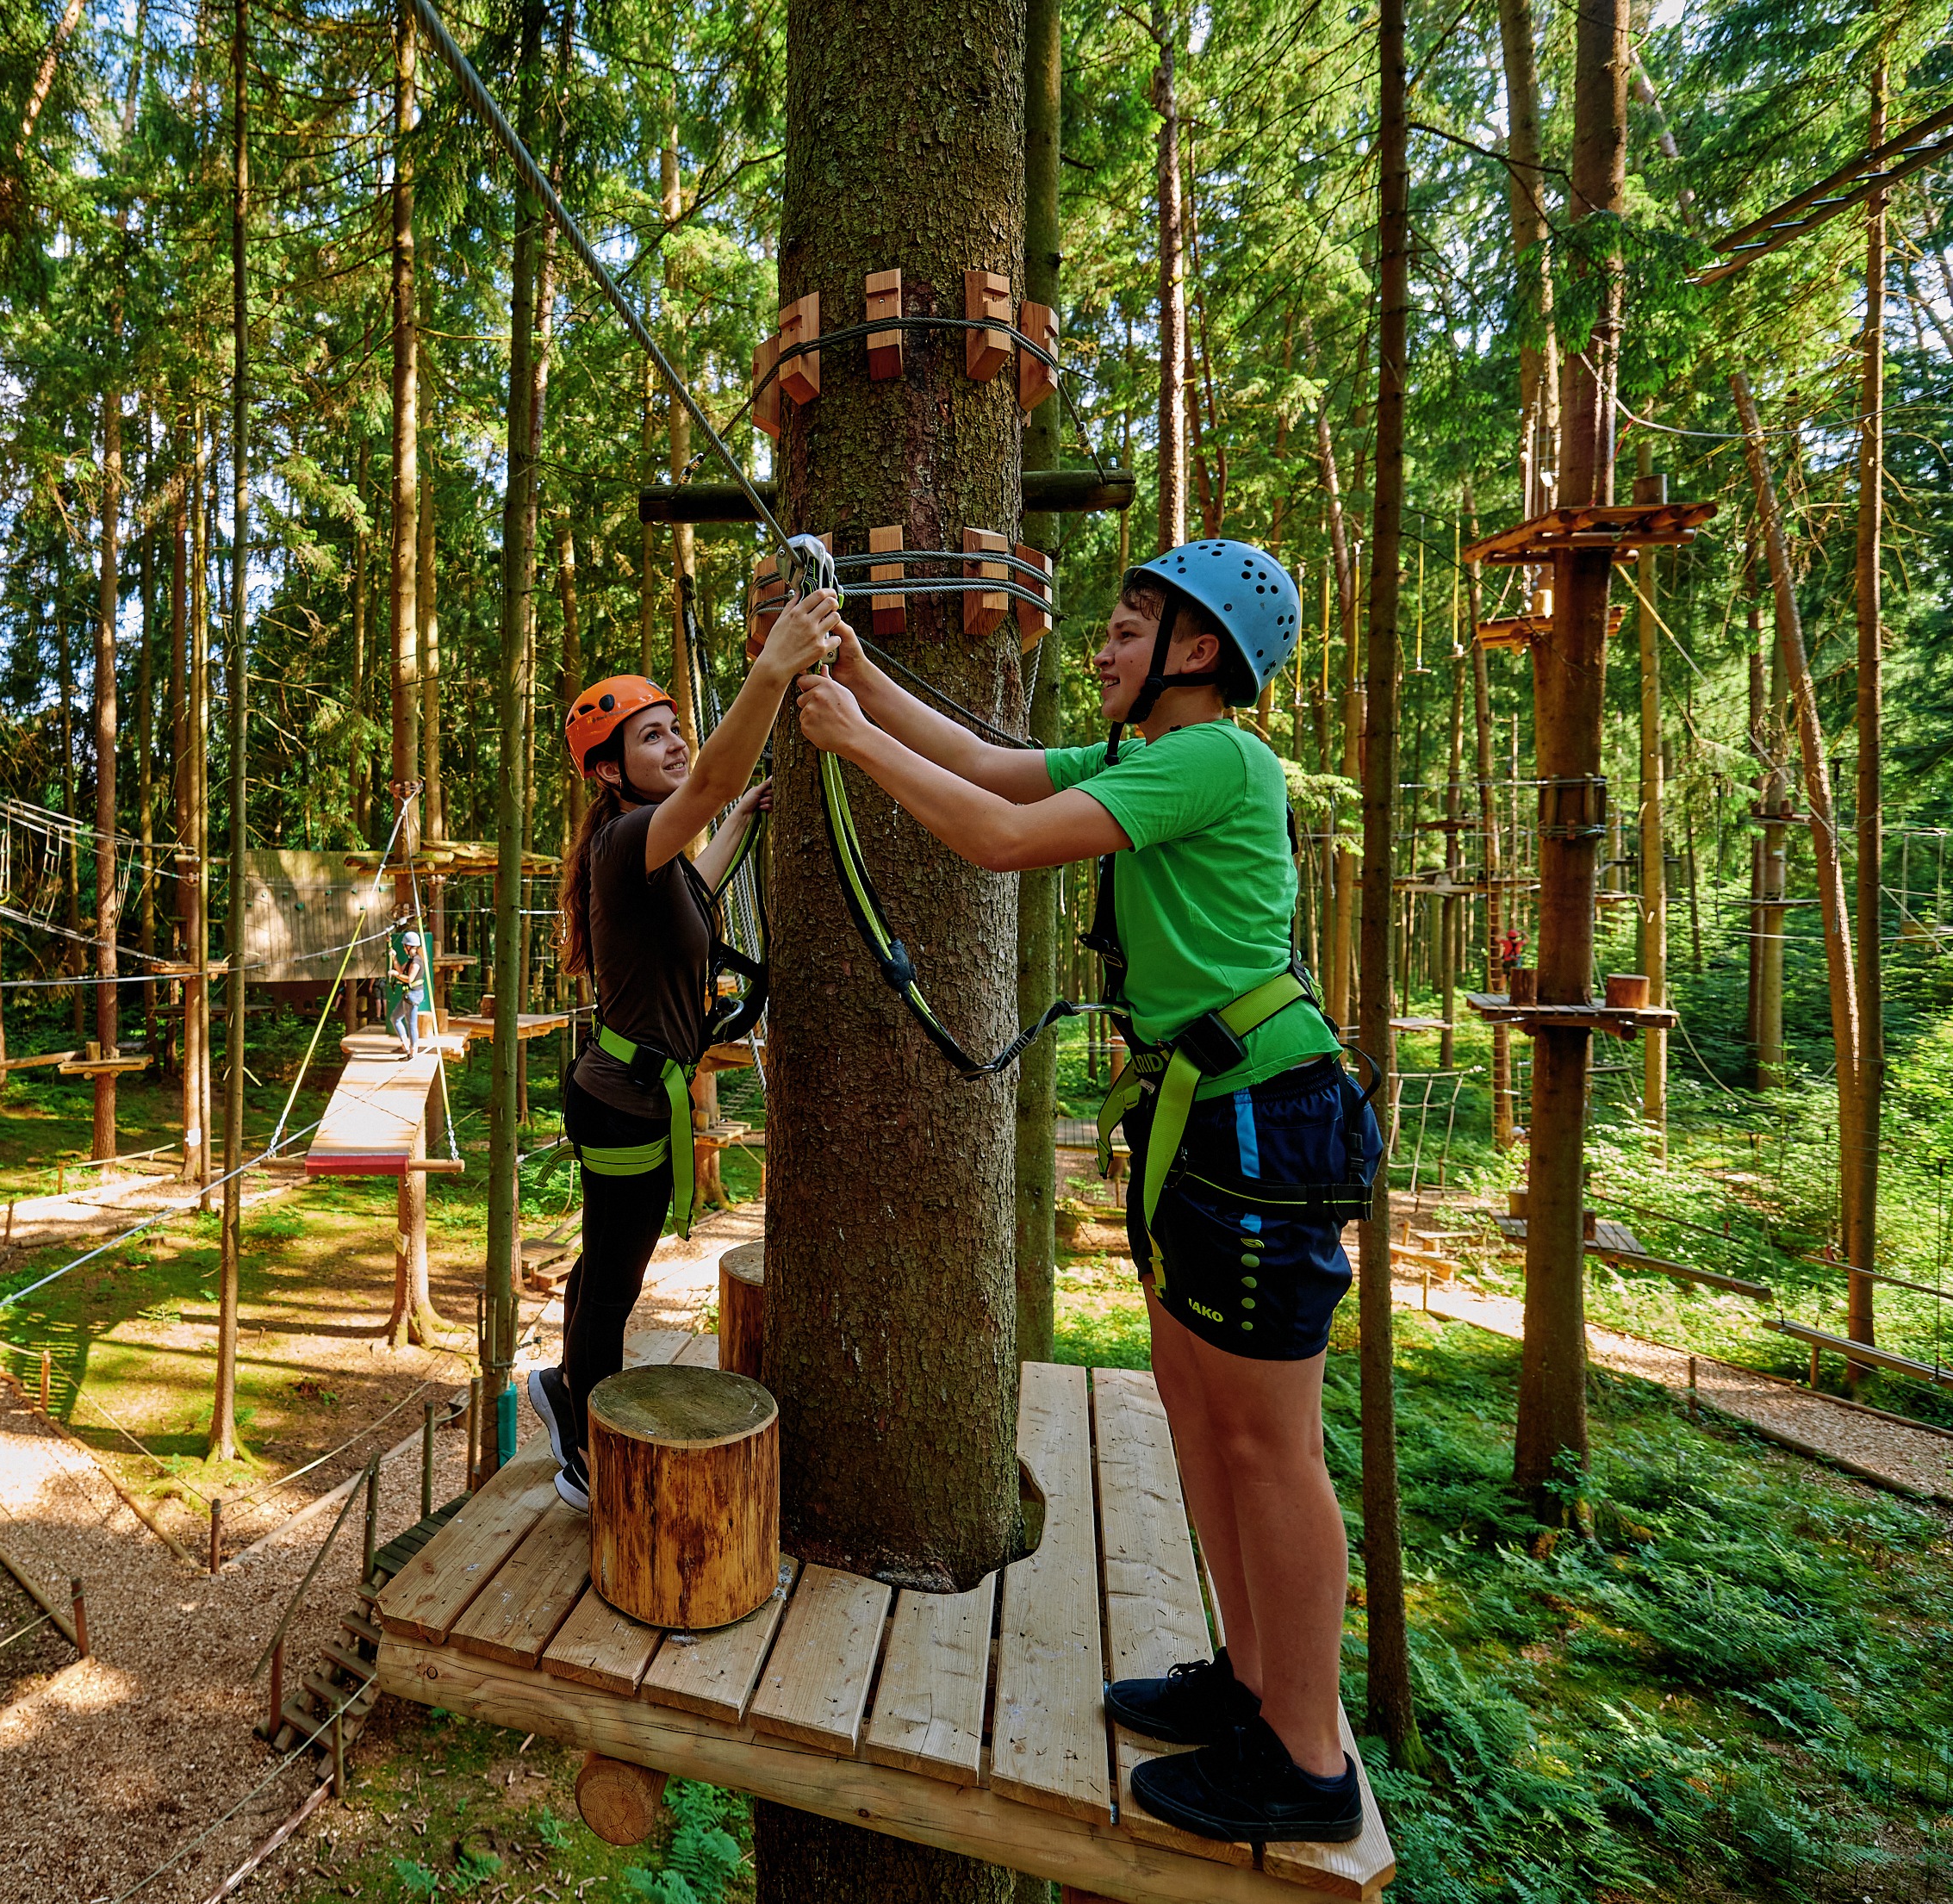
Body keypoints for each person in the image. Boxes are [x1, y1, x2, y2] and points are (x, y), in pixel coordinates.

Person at [789, 538, 1378, 1847]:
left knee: (1263, 1440)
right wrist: (858, 674)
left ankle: (1309, 1757)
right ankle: (1255, 1682)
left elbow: (997, 837)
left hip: (1254, 1117)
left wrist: (850, 740)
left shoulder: (1218, 756)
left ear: (1198, 652)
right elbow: (994, 766)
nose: (1105, 650)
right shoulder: (1150, 759)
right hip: (1206, 1114)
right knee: (1194, 1404)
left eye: (1126, 631)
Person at [525, 585, 849, 1514]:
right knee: (613, 1287)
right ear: (609, 774)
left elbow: (694, 897)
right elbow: (701, 786)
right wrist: (773, 665)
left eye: (674, 728)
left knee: (603, 1259)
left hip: (624, 1088)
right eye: (651, 737)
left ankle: (558, 1387)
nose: (672, 744)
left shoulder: (646, 855)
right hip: (627, 1095)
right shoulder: (631, 835)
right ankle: (582, 1442)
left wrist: (740, 816)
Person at [388, 925, 430, 1051]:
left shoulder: (417, 961)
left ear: (409, 946)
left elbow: (409, 979)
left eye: (404, 946)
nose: (403, 948)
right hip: (409, 995)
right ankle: (405, 1044)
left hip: (413, 994)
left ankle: (413, 1050)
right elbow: (401, 969)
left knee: (411, 1024)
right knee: (394, 1018)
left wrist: (396, 975)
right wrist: (394, 957)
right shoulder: (412, 960)